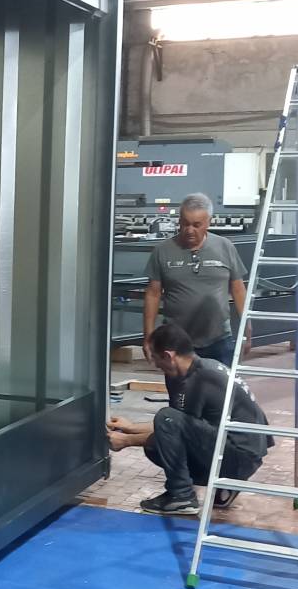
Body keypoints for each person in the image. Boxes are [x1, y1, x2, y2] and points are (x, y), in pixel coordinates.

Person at [108, 321, 272, 516]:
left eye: (156, 360)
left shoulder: (200, 380)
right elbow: (176, 427)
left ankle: (182, 496)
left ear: (168, 356)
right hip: (243, 451)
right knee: (163, 430)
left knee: (158, 437)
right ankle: (226, 484)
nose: (156, 366)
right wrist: (131, 427)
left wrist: (126, 441)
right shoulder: (196, 369)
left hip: (240, 457)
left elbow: (171, 426)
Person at [142, 192, 249, 368]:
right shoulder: (163, 251)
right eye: (185, 224)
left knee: (220, 385)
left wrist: (247, 326)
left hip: (218, 339)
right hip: (176, 343)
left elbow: (238, 290)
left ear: (209, 222)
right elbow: (153, 294)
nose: (189, 230)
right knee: (181, 386)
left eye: (196, 225)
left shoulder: (225, 247)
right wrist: (148, 336)